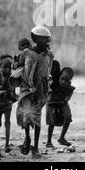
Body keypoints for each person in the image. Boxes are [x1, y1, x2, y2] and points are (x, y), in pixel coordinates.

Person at [16, 26, 54, 158]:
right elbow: (19, 66)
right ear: (36, 39)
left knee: (36, 118)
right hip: (27, 91)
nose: (48, 41)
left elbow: (48, 71)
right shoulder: (27, 53)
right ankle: (27, 139)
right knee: (26, 117)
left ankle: (36, 148)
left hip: (40, 91)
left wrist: (47, 85)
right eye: (45, 39)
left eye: (48, 39)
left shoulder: (48, 54)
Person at [46, 66, 75, 148]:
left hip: (62, 103)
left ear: (70, 81)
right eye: (62, 78)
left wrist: (67, 98)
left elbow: (70, 92)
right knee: (51, 122)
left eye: (66, 80)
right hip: (51, 103)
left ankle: (62, 138)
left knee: (68, 117)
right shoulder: (53, 83)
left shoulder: (69, 87)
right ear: (59, 76)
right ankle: (49, 141)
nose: (63, 82)